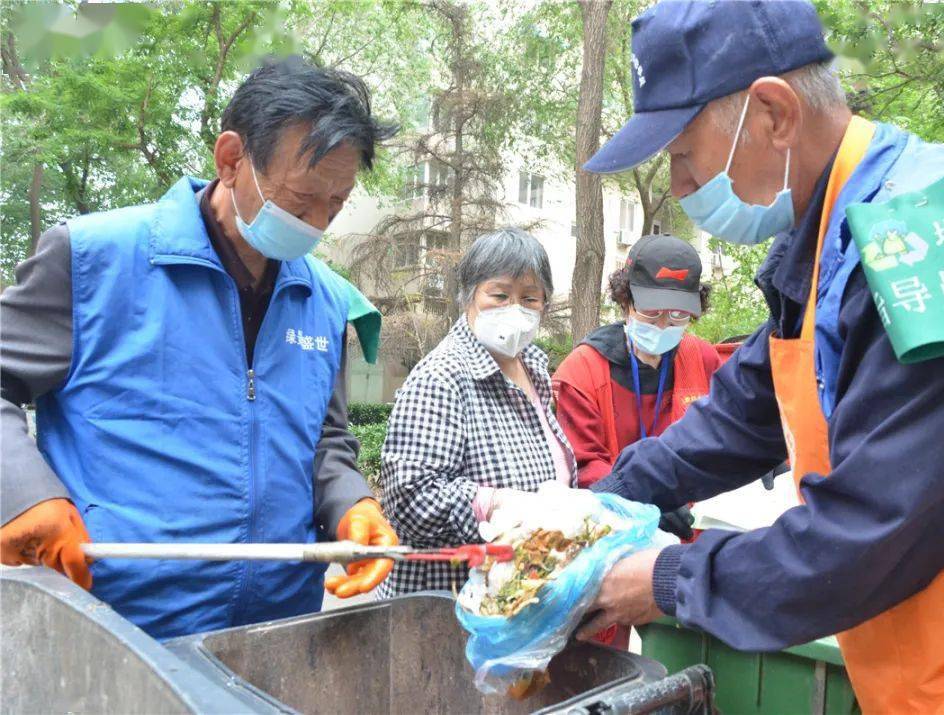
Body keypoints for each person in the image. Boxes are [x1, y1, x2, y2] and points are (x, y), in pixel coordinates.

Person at [558, 1, 944, 712]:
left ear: (773, 113)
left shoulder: (930, 236)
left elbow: (878, 525)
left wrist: (669, 578)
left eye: (682, 154)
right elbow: (733, 422)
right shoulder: (820, 243)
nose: (678, 186)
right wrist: (583, 508)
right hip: (918, 669)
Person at [0, 56, 399, 640]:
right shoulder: (93, 260)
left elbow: (325, 439)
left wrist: (352, 504)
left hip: (279, 634)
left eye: (335, 205)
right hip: (118, 633)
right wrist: (24, 493)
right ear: (233, 159)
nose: (316, 226)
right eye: (300, 201)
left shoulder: (324, 298)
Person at [379, 228, 576, 595]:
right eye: (499, 295)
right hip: (448, 605)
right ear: (468, 297)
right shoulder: (443, 377)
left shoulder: (534, 369)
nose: (514, 310)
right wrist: (493, 503)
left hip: (516, 595)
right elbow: (408, 498)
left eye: (530, 299)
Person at [553, 234, 719, 649]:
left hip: (682, 550)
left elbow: (729, 423)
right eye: (652, 312)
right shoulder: (583, 370)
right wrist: (647, 507)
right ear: (625, 301)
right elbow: (584, 466)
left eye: (679, 316)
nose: (664, 326)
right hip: (612, 547)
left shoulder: (699, 356)